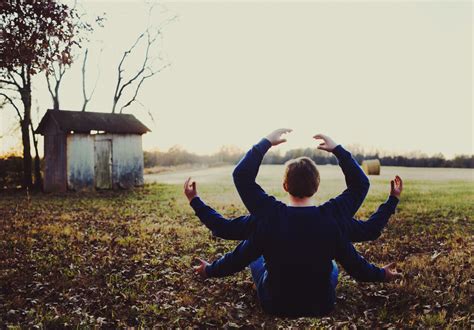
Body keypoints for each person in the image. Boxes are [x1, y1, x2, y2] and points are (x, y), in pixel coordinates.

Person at [190, 130, 402, 317]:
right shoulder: (333, 219)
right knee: (332, 263)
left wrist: (266, 142)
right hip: (321, 305)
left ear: (285, 185)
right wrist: (338, 150)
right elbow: (361, 189)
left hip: (275, 304)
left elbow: (241, 178)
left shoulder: (269, 216)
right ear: (317, 186)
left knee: (256, 256)